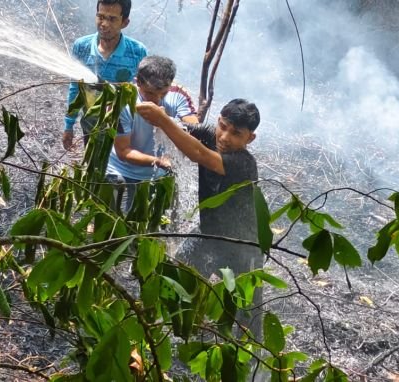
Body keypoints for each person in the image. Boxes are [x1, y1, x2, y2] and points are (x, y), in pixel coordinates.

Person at [136, 98, 264, 347]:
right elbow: (180, 130)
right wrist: (159, 117)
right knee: (176, 276)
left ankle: (249, 362)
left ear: (250, 139)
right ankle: (172, 334)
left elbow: (197, 154)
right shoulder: (210, 135)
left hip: (242, 246)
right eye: (222, 126)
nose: (225, 137)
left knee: (246, 313)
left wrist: (162, 119)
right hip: (208, 233)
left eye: (236, 133)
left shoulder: (243, 163)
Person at [105, 55, 199, 211]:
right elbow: (123, 151)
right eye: (149, 93)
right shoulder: (122, 101)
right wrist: (159, 161)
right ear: (138, 82)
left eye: (163, 93)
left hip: (157, 174)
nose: (156, 99)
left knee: (148, 226)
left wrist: (165, 121)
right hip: (120, 171)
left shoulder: (178, 94)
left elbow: (194, 131)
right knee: (114, 222)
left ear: (171, 84)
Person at [63, 0, 147, 150]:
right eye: (100, 16)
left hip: (124, 128)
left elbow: (142, 92)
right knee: (93, 167)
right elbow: (75, 88)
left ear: (125, 22)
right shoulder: (82, 47)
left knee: (121, 168)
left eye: (112, 19)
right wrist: (68, 126)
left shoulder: (138, 52)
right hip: (91, 124)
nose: (104, 24)